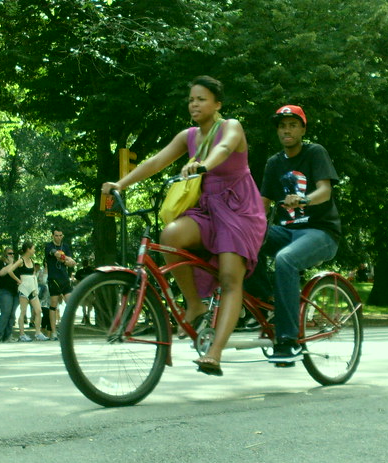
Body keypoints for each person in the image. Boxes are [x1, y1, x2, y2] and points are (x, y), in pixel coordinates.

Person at [100, 75, 266, 376]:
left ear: (217, 103)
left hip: (239, 210)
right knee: (170, 235)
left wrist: (203, 165)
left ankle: (214, 353)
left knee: (230, 278)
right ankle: (195, 305)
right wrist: (120, 184)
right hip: (206, 208)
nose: (194, 104)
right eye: (191, 99)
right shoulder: (188, 135)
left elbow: (225, 149)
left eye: (201, 99)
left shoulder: (230, 127)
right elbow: (155, 162)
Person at [254, 104, 341, 366]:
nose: (286, 130)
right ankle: (264, 303)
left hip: (320, 232)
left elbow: (324, 191)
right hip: (286, 232)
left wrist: (303, 200)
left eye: (292, 125)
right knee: (242, 241)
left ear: (303, 128)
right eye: (282, 126)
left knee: (285, 259)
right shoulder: (274, 163)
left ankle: (288, 340)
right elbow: (263, 202)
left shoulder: (315, 153)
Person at [2, 242, 49, 342]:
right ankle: (22, 334)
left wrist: (36, 287)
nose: (34, 250)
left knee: (38, 310)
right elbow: (10, 270)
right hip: (24, 288)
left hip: (32, 288)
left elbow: (33, 275)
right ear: (28, 249)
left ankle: (38, 333)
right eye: (33, 248)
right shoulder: (21, 260)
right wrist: (18, 281)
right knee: (23, 311)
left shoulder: (31, 260)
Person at [44, 229, 76, 341]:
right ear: (52, 235)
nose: (58, 237)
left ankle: (66, 329)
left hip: (65, 278)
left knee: (70, 303)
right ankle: (53, 332)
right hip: (54, 279)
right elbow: (56, 253)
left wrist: (65, 260)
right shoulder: (48, 246)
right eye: (56, 235)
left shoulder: (66, 246)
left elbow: (71, 262)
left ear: (63, 236)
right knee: (53, 304)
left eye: (60, 235)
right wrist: (66, 259)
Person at [0, 246, 18, 343]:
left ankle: (8, 335)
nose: (12, 255)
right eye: (9, 253)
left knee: (12, 314)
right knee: (6, 312)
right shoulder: (0, 263)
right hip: (3, 290)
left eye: (13, 254)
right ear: (5, 254)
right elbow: (1, 273)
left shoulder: (16, 265)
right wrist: (10, 264)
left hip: (14, 291)